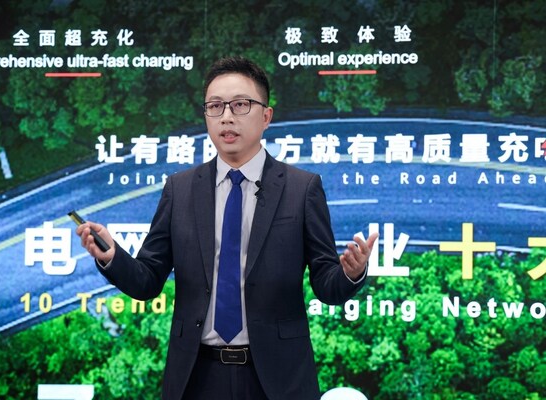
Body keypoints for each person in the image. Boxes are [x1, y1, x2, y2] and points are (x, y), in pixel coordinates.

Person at [76, 56, 378, 400]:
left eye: (240, 105)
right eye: (215, 106)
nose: (227, 117)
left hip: (277, 378)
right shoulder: (180, 189)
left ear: (266, 116)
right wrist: (112, 256)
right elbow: (147, 280)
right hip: (197, 376)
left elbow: (327, 285)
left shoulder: (301, 188)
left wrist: (351, 273)